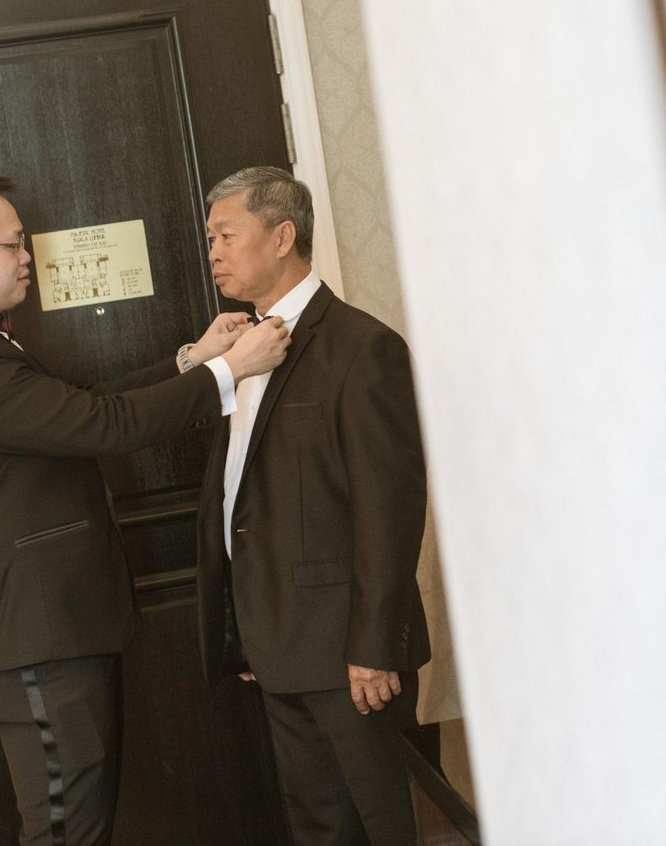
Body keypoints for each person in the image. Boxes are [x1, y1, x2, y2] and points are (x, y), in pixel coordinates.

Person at [0, 165, 289, 846]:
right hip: (35, 640)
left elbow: (80, 408)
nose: (27, 258)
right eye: (11, 244)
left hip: (53, 633)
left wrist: (191, 360)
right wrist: (231, 370)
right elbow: (101, 426)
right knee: (65, 832)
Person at [196, 166, 431, 844]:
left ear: (282, 237)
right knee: (320, 831)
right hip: (277, 645)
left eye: (225, 233)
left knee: (382, 826)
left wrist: (375, 645)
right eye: (209, 235)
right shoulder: (237, 346)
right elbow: (243, 495)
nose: (212, 248)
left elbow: (389, 509)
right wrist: (244, 626)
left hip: (352, 656)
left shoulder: (364, 348)